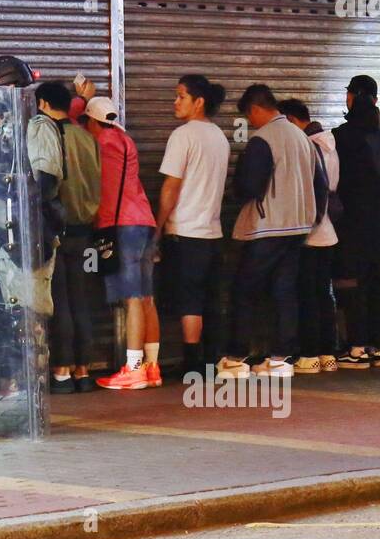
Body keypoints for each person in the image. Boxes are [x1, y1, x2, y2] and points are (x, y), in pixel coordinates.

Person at [218, 85, 318, 380]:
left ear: (255, 110)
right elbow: (319, 184)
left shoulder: (263, 139)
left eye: (249, 118)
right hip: (299, 227)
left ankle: (236, 358)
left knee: (244, 291)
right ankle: (279, 360)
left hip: (267, 227)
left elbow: (249, 187)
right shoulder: (302, 137)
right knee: (284, 292)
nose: (251, 124)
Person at [82, 92, 161, 390]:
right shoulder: (125, 141)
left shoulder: (98, 144)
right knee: (146, 297)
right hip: (144, 220)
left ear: (92, 121)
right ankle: (152, 367)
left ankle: (133, 368)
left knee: (131, 298)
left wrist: (81, 100)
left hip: (122, 226)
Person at [156, 75, 230, 378]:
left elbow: (171, 187)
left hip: (186, 231)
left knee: (190, 301)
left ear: (199, 102)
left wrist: (158, 227)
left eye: (181, 96)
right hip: (212, 232)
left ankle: (191, 364)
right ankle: (211, 362)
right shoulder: (220, 137)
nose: (175, 102)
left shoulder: (183, 135)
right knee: (211, 300)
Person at [31, 81, 101, 393]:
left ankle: (61, 372)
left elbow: (47, 183)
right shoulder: (87, 137)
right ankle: (83, 371)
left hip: (59, 230)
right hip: (86, 231)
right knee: (82, 299)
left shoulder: (48, 132)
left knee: (59, 302)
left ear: (43, 103)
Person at [331, 75, 380, 368]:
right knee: (377, 285)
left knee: (352, 284)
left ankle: (356, 347)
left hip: (352, 223)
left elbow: (335, 181)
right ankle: (378, 346)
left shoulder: (342, 136)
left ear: (354, 95)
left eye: (348, 93)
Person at [280, 98, 339, 374]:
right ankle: (328, 353)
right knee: (323, 294)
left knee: (307, 294)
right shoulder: (329, 144)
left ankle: (309, 354)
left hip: (307, 231)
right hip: (328, 231)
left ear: (291, 120)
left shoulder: (305, 146)